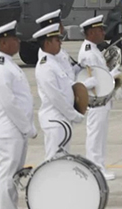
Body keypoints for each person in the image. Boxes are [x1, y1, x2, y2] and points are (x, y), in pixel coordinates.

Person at [0, 21, 37, 209]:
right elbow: (9, 102)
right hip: (10, 129)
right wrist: (27, 127)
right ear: (3, 42)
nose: (18, 42)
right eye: (14, 39)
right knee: (7, 176)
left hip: (17, 129)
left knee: (13, 177)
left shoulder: (8, 63)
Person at [78, 15, 122, 181]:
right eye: (100, 30)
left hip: (101, 99)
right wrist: (114, 74)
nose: (104, 32)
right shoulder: (89, 53)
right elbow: (96, 79)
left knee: (100, 136)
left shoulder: (94, 50)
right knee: (96, 136)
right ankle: (95, 168)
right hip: (96, 100)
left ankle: (99, 166)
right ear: (90, 33)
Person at [33, 23, 85, 160]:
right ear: (47, 43)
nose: (60, 43)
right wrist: (73, 114)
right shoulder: (45, 66)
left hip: (61, 119)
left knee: (61, 161)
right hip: (55, 120)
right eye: (57, 40)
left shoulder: (54, 62)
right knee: (54, 161)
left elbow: (66, 86)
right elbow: (55, 96)